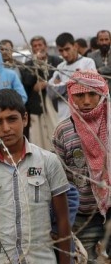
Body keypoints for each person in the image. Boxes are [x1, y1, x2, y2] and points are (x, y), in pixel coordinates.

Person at [0, 88, 71, 264]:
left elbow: (63, 220)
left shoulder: (48, 162)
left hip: (41, 259)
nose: (6, 128)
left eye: (12, 119)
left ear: (25, 119)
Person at [52, 71, 111, 261]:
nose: (86, 101)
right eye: (80, 95)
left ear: (102, 94)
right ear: (71, 96)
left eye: (92, 94)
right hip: (81, 219)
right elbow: (58, 179)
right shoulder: (63, 131)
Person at [21, 35, 62, 149]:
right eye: (35, 46)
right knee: (38, 138)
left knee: (56, 132)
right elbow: (28, 82)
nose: (38, 48)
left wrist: (46, 83)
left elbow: (60, 79)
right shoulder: (28, 65)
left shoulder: (57, 61)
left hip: (54, 103)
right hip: (36, 106)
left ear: (46, 46)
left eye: (40, 45)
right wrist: (36, 64)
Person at [47, 32, 96, 123]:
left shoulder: (87, 63)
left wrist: (61, 86)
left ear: (75, 46)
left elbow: (86, 89)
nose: (65, 54)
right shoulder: (60, 67)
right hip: (64, 119)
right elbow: (50, 92)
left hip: (83, 118)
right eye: (61, 50)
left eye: (67, 49)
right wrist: (74, 83)